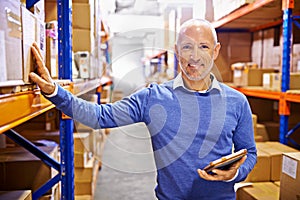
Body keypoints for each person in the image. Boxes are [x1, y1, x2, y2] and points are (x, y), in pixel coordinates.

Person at [30, 18, 257, 200]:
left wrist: (235, 173)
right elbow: (99, 116)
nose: (194, 56)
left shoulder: (236, 101)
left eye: (204, 47)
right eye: (187, 47)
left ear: (215, 51)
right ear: (177, 51)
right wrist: (55, 93)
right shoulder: (154, 97)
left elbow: (250, 152)